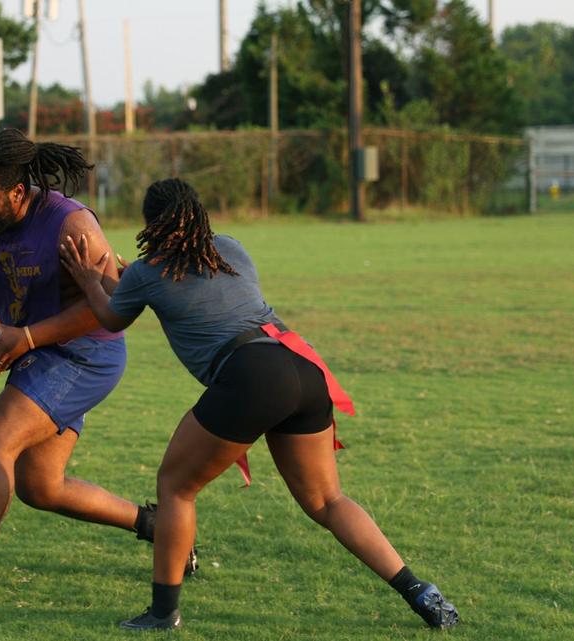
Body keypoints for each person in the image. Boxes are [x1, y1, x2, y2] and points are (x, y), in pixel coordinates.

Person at [59, 177, 460, 631]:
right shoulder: (230, 247)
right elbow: (193, 287)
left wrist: (91, 280)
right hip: (300, 364)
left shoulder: (146, 274)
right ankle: (420, 592)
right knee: (328, 500)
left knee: (175, 487)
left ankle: (162, 613)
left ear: (151, 225)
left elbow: (112, 315)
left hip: (250, 375)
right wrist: (131, 278)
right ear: (198, 215)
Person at [0, 128, 190, 617]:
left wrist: (30, 337)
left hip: (86, 353)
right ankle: (157, 525)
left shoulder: (70, 224)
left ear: (18, 192)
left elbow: (113, 306)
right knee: (41, 487)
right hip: (34, 350)